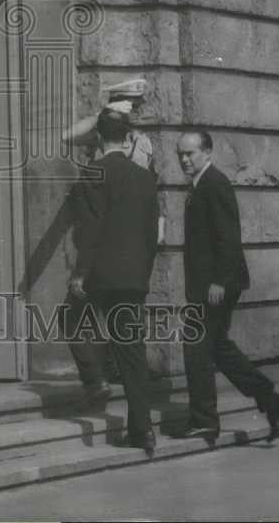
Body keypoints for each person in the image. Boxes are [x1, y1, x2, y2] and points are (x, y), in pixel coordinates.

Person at [176, 131, 279, 441]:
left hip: (217, 284)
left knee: (195, 348)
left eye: (190, 153)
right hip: (210, 283)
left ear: (207, 152)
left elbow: (228, 237)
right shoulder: (200, 184)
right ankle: (271, 400)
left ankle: (204, 420)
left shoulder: (215, 183)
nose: (185, 160)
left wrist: (219, 280)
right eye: (181, 154)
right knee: (217, 347)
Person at [61, 78, 165, 394]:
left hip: (117, 241)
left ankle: (104, 375)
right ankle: (115, 372)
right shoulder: (103, 136)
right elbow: (66, 136)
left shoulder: (141, 144)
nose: (133, 110)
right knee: (114, 314)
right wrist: (105, 115)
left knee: (100, 314)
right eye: (129, 105)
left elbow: (151, 190)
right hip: (111, 240)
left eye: (134, 106)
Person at [69, 108, 160, 455]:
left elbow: (90, 231)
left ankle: (96, 380)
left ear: (97, 138)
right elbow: (152, 234)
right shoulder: (144, 176)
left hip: (101, 275)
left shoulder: (93, 172)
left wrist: (80, 274)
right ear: (127, 138)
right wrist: (143, 272)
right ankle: (143, 429)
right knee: (132, 352)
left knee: (71, 319)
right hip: (134, 276)